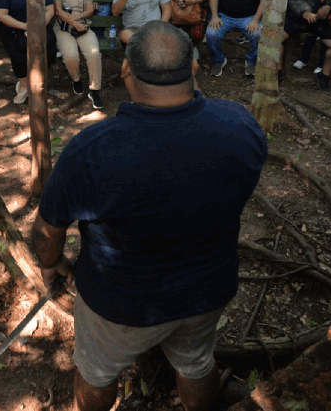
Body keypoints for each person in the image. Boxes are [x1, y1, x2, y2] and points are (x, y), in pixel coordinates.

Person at [32, 22, 267, 411]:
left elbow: (48, 227)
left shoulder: (93, 149)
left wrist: (51, 262)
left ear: (125, 71)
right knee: (196, 363)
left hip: (121, 302)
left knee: (97, 373)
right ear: (194, 67)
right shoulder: (239, 124)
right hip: (208, 288)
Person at [0, 0, 55, 105]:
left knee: (51, 48)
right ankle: (23, 85)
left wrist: (37, 27)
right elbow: (1, 15)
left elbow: (50, 9)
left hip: (39, 26)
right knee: (18, 52)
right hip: (15, 28)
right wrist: (24, 26)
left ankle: (37, 79)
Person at [206, 0, 266, 78]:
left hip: (248, 18)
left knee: (258, 34)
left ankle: (251, 61)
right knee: (211, 33)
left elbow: (263, 1)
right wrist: (215, 16)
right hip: (225, 17)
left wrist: (256, 20)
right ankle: (219, 60)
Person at [53, 0, 103, 110]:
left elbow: (89, 10)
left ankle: (94, 90)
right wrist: (74, 23)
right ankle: (76, 79)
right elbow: (58, 11)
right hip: (63, 27)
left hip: (82, 24)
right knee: (70, 55)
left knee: (94, 54)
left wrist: (78, 18)